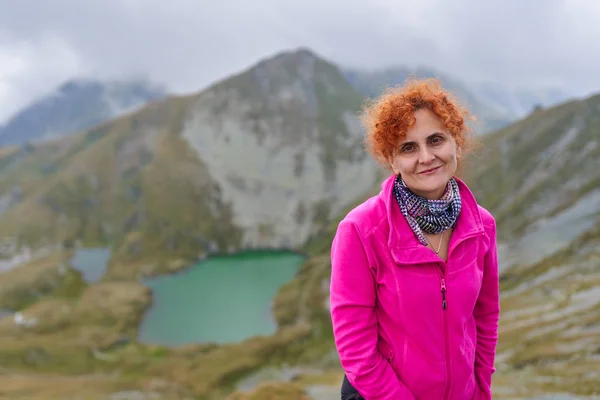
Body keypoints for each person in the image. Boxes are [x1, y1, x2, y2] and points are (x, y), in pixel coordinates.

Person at [329, 78, 500, 400]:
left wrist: (480, 391)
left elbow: (485, 317)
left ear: (456, 144)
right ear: (392, 160)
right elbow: (355, 349)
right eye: (408, 147)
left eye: (436, 140)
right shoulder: (360, 230)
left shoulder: (482, 225)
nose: (426, 157)